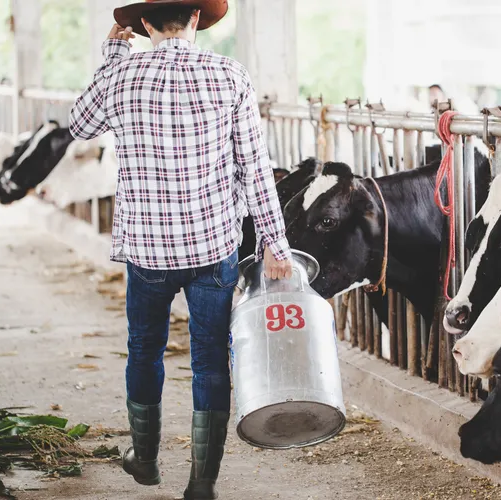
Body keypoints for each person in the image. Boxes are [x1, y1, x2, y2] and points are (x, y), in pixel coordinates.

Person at [68, 1, 293, 498]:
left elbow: (78, 125)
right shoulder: (230, 75)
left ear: (145, 24)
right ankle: (202, 483)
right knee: (210, 359)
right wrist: (275, 243)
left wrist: (113, 54)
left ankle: (145, 461)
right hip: (214, 247)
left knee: (144, 349)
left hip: (147, 251)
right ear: (195, 19)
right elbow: (254, 166)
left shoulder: (121, 75)